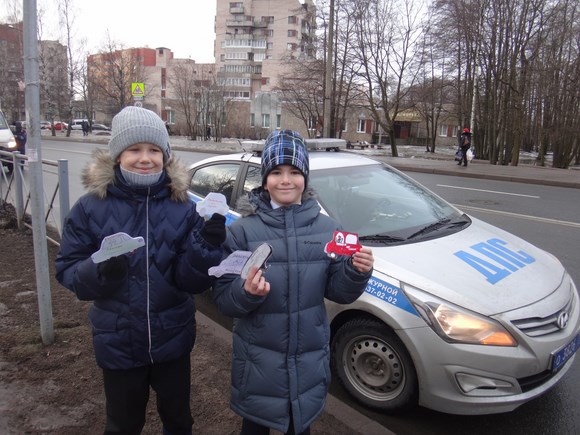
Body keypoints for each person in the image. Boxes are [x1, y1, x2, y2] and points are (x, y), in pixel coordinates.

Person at [55, 106, 227, 435]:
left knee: (179, 422)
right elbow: (69, 272)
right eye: (134, 149)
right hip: (118, 341)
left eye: (153, 150)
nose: (145, 158)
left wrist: (206, 244)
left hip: (173, 339)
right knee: (122, 425)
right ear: (118, 155)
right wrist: (103, 270)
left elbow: (190, 281)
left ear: (165, 155)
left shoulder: (184, 207)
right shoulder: (91, 207)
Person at [213, 129, 374, 435]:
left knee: (299, 428)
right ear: (264, 179)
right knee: (255, 427)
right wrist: (246, 292)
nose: (285, 180)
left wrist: (355, 272)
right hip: (258, 363)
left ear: (305, 178)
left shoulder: (328, 229)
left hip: (308, 364)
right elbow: (223, 298)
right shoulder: (242, 232)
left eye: (294, 172)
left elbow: (339, 292)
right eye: (276, 171)